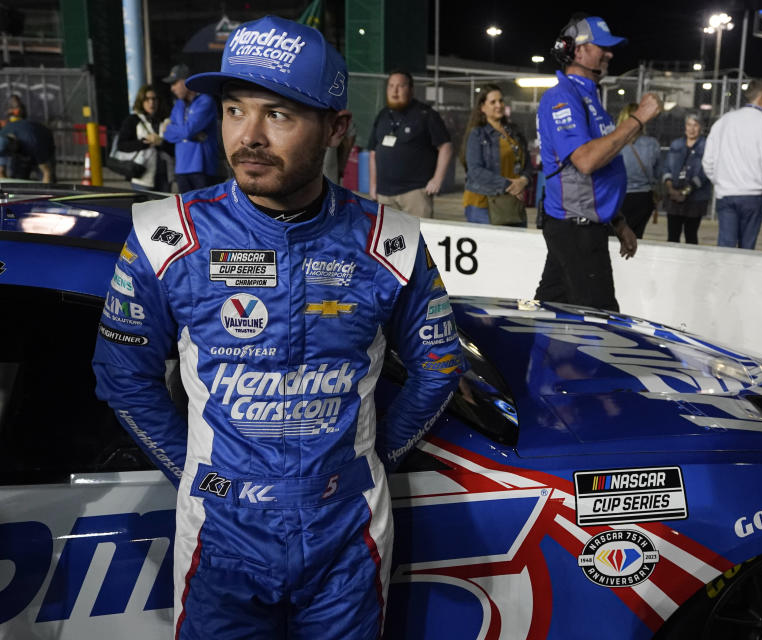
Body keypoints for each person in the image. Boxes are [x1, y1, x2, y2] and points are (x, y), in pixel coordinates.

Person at [91, 15, 463, 640]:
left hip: (346, 535)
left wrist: (368, 463)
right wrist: (196, 474)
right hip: (219, 533)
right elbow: (123, 376)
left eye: (280, 115)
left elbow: (440, 366)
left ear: (337, 128)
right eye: (234, 109)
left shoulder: (390, 239)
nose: (249, 135)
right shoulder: (167, 236)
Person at [534, 14, 661, 312]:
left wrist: (617, 221)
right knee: (602, 322)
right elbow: (587, 161)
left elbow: (599, 172)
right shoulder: (561, 97)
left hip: (580, 225)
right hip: (575, 228)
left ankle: (530, 357)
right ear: (576, 51)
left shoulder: (588, 97)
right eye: (601, 46)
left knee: (549, 313)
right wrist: (638, 119)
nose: (610, 53)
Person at [702, 79, 762, 250]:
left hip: (726, 193)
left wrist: (719, 182)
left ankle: (723, 276)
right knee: (747, 248)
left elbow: (708, 160)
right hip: (753, 195)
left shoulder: (724, 122)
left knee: (725, 246)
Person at [367, 70, 453, 218]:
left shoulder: (426, 115)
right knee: (388, 240)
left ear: (411, 89)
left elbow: (446, 147)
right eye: (391, 86)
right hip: (384, 194)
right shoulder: (382, 115)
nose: (395, 91)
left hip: (414, 194)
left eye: (400, 86)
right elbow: (373, 153)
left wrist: (437, 179)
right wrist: (373, 185)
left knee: (416, 239)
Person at [459, 84, 532, 226]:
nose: (499, 105)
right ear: (482, 108)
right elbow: (475, 171)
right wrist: (510, 185)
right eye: (493, 102)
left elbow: (527, 163)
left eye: (501, 101)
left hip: (512, 203)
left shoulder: (514, 132)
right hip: (483, 206)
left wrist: (524, 181)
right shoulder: (478, 135)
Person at [162, 63, 220, 192]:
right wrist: (187, 133)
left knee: (205, 210)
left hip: (203, 168)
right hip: (181, 168)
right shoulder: (178, 105)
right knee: (186, 210)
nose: (172, 88)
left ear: (185, 82)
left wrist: (178, 131)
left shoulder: (205, 101)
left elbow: (187, 131)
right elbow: (166, 134)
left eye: (174, 83)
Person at [663, 113, 711, 244]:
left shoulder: (706, 146)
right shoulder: (676, 144)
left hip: (695, 199)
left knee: (691, 235)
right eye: (689, 125)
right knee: (672, 236)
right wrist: (671, 189)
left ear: (701, 127)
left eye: (695, 125)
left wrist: (685, 192)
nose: (691, 129)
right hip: (674, 197)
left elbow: (705, 173)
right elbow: (667, 168)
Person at [616, 103, 661, 238]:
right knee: (636, 237)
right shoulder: (652, 143)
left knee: (614, 237)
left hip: (619, 196)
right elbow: (657, 173)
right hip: (643, 198)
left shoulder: (613, 142)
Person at [117, 84, 173, 192]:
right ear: (141, 101)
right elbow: (121, 145)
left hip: (165, 175)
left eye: (154, 99)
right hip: (142, 176)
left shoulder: (165, 121)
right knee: (144, 207)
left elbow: (173, 148)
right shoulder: (133, 120)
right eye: (147, 99)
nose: (151, 102)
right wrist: (145, 143)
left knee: (164, 208)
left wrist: (161, 143)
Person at [0, 113, 55, 183]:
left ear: (13, 143)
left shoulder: (33, 141)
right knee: (17, 178)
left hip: (42, 142)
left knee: (43, 176)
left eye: (9, 153)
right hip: (22, 144)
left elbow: (47, 172)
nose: (9, 156)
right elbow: (0, 171)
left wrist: (45, 192)